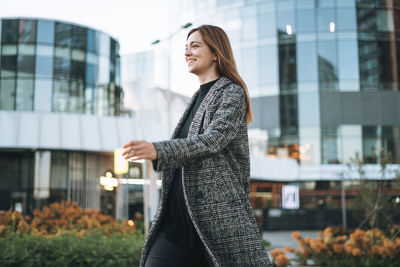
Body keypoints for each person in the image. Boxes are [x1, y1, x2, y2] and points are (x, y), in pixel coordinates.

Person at [122, 25, 272, 267]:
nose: (187, 52)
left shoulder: (232, 94)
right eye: (185, 47)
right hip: (177, 225)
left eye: (195, 45)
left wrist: (160, 150)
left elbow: (212, 141)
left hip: (216, 225)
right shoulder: (196, 99)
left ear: (215, 52)